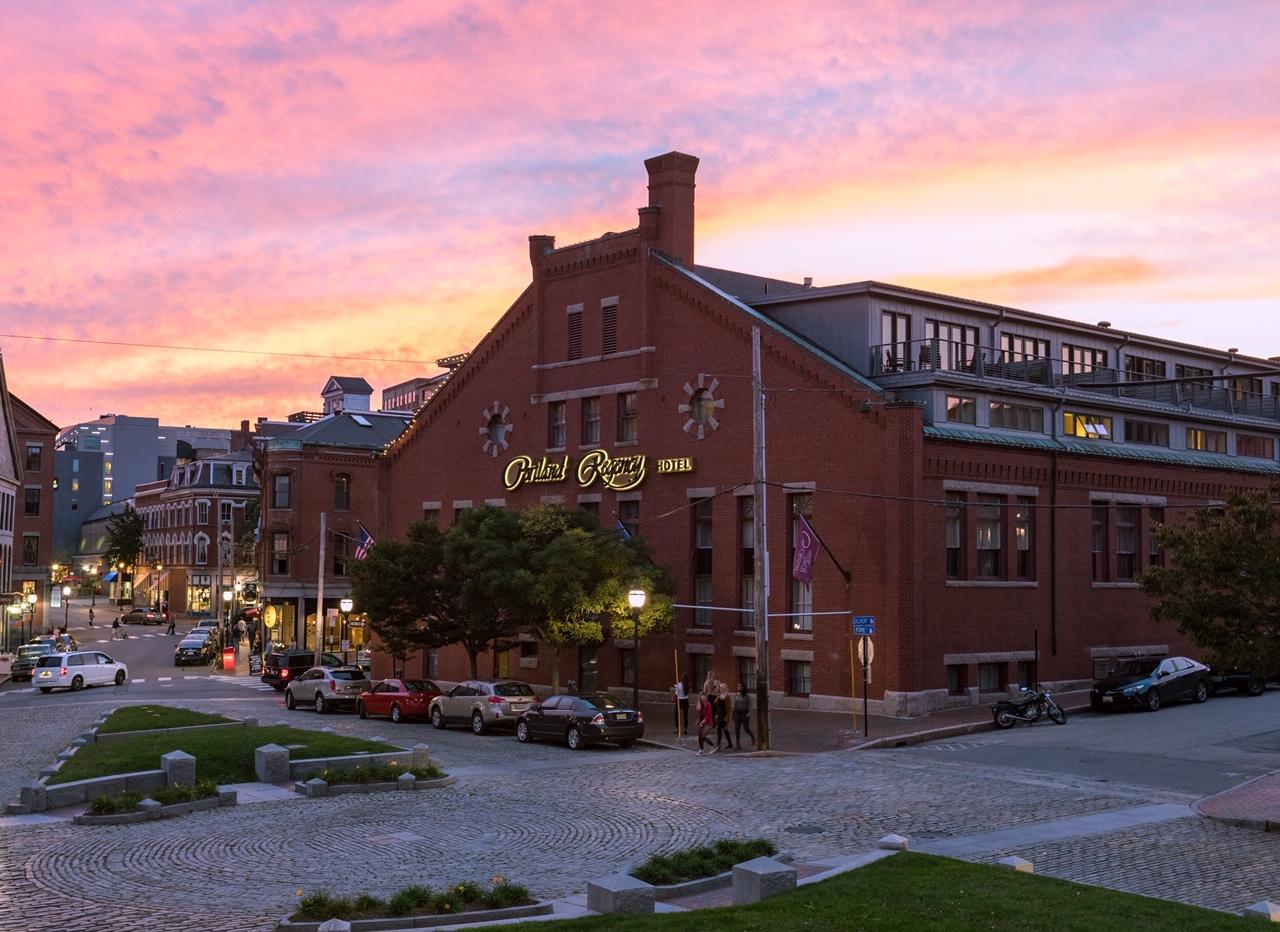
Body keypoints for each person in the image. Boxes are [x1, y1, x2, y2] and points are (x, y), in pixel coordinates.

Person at [733, 682, 756, 749]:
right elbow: (735, 705)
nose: (738, 688)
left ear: (743, 687)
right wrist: (734, 714)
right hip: (737, 712)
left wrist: (749, 713)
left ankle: (753, 738)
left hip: (744, 712)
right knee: (736, 728)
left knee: (746, 728)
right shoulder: (736, 695)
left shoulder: (746, 695)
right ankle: (738, 743)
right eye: (738, 686)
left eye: (740, 686)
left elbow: (750, 705)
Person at [714, 682, 734, 750]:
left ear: (725, 688)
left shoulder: (727, 696)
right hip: (719, 714)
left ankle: (718, 744)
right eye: (720, 687)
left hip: (724, 715)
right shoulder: (720, 695)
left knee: (720, 729)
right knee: (723, 729)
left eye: (722, 688)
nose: (721, 689)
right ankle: (729, 743)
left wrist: (727, 717)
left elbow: (728, 708)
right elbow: (715, 704)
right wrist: (718, 697)